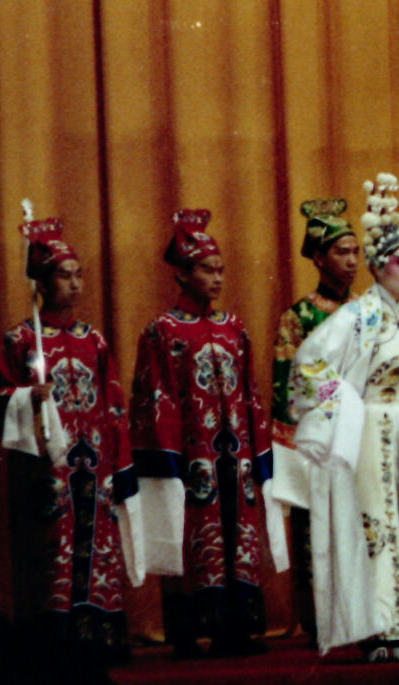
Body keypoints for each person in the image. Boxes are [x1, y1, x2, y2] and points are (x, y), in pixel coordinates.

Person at [286, 173, 399, 660]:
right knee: (378, 524)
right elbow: (308, 362)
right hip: (369, 431)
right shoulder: (358, 317)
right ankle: (383, 625)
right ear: (378, 266)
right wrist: (345, 404)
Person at [0, 210, 143, 664]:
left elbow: (113, 404)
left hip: (97, 464)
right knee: (56, 547)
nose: (74, 284)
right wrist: (28, 396)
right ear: (43, 284)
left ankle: (102, 633)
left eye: (78, 275)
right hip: (49, 467)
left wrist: (119, 463)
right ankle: (55, 641)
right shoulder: (21, 340)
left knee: (100, 546)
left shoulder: (95, 341)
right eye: (63, 276)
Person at [130, 209, 283, 658]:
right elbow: (154, 397)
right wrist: (167, 462)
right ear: (182, 273)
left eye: (220, 269)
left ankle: (236, 628)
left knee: (240, 535)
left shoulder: (233, 328)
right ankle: (186, 631)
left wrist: (260, 453)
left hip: (235, 456)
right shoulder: (163, 331)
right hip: (191, 456)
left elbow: (252, 394)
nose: (217, 278)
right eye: (206, 269)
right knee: (192, 536)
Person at [269, 197, 360, 641]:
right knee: (316, 529)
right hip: (320, 440)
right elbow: (287, 388)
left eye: (356, 252)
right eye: (341, 252)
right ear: (319, 258)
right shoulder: (299, 317)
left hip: (360, 437)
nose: (351, 261)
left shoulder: (368, 310)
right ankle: (320, 616)